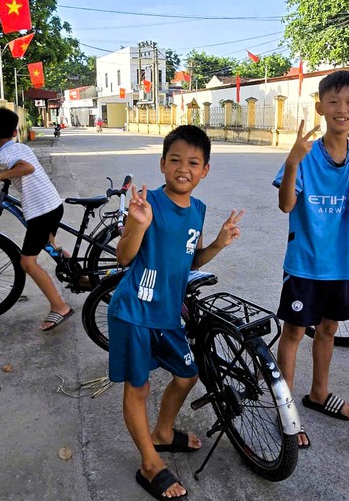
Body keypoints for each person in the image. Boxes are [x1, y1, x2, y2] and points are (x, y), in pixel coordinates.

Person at [108, 125, 244, 500]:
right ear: (163, 164)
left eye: (193, 162)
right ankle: (149, 464)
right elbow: (124, 257)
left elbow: (191, 259)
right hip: (134, 311)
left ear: (205, 170)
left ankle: (163, 433)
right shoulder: (147, 203)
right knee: (138, 388)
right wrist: (137, 225)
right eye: (175, 161)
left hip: (168, 315)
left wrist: (218, 242)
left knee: (187, 375)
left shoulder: (198, 209)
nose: (184, 168)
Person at [273, 70, 349, 448]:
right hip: (304, 262)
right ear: (320, 106)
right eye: (334, 102)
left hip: (339, 264)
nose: (342, 109)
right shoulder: (305, 155)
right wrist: (291, 165)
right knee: (292, 333)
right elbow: (286, 204)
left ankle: (319, 393)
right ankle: (285, 408)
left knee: (328, 330)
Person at [0, 107, 74, 332]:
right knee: (51, 246)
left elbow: (25, 167)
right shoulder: (19, 147)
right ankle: (78, 275)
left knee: (27, 262)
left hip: (41, 210)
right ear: (14, 132)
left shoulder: (4, 155)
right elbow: (12, 162)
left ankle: (59, 307)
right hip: (52, 205)